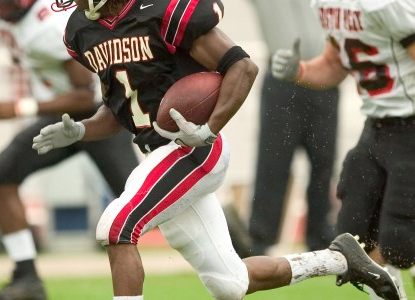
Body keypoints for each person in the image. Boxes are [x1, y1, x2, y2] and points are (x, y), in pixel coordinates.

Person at [32, 0, 401, 299]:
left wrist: (209, 128)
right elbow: (119, 112)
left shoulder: (164, 9)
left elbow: (243, 66)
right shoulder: (82, 29)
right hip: (159, 156)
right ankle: (340, 260)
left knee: (116, 225)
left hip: (194, 150)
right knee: (230, 283)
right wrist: (81, 129)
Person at [0, 0, 139, 299]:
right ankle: (26, 279)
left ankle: (231, 243)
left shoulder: (50, 27)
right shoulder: (20, 22)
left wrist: (22, 106)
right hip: (59, 121)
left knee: (148, 202)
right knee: (2, 175)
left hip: (96, 120)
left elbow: (84, 96)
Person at [271, 0, 415, 298]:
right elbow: (334, 64)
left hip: (411, 127)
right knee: (353, 239)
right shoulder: (328, 4)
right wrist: (298, 70)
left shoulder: (385, 5)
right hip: (375, 126)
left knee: (401, 241)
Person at [247, 0, 339, 256]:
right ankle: (260, 241)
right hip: (282, 78)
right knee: (272, 163)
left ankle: (321, 240)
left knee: (324, 164)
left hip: (325, 77)